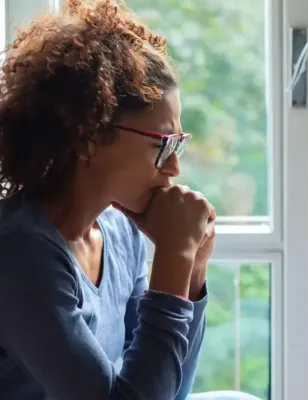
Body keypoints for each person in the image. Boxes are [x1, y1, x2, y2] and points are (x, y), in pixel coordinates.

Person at [0, 1, 262, 399]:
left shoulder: (120, 231)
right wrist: (173, 258)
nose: (174, 167)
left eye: (178, 144)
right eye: (162, 144)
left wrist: (192, 270)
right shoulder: (20, 252)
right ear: (88, 136)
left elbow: (168, 389)